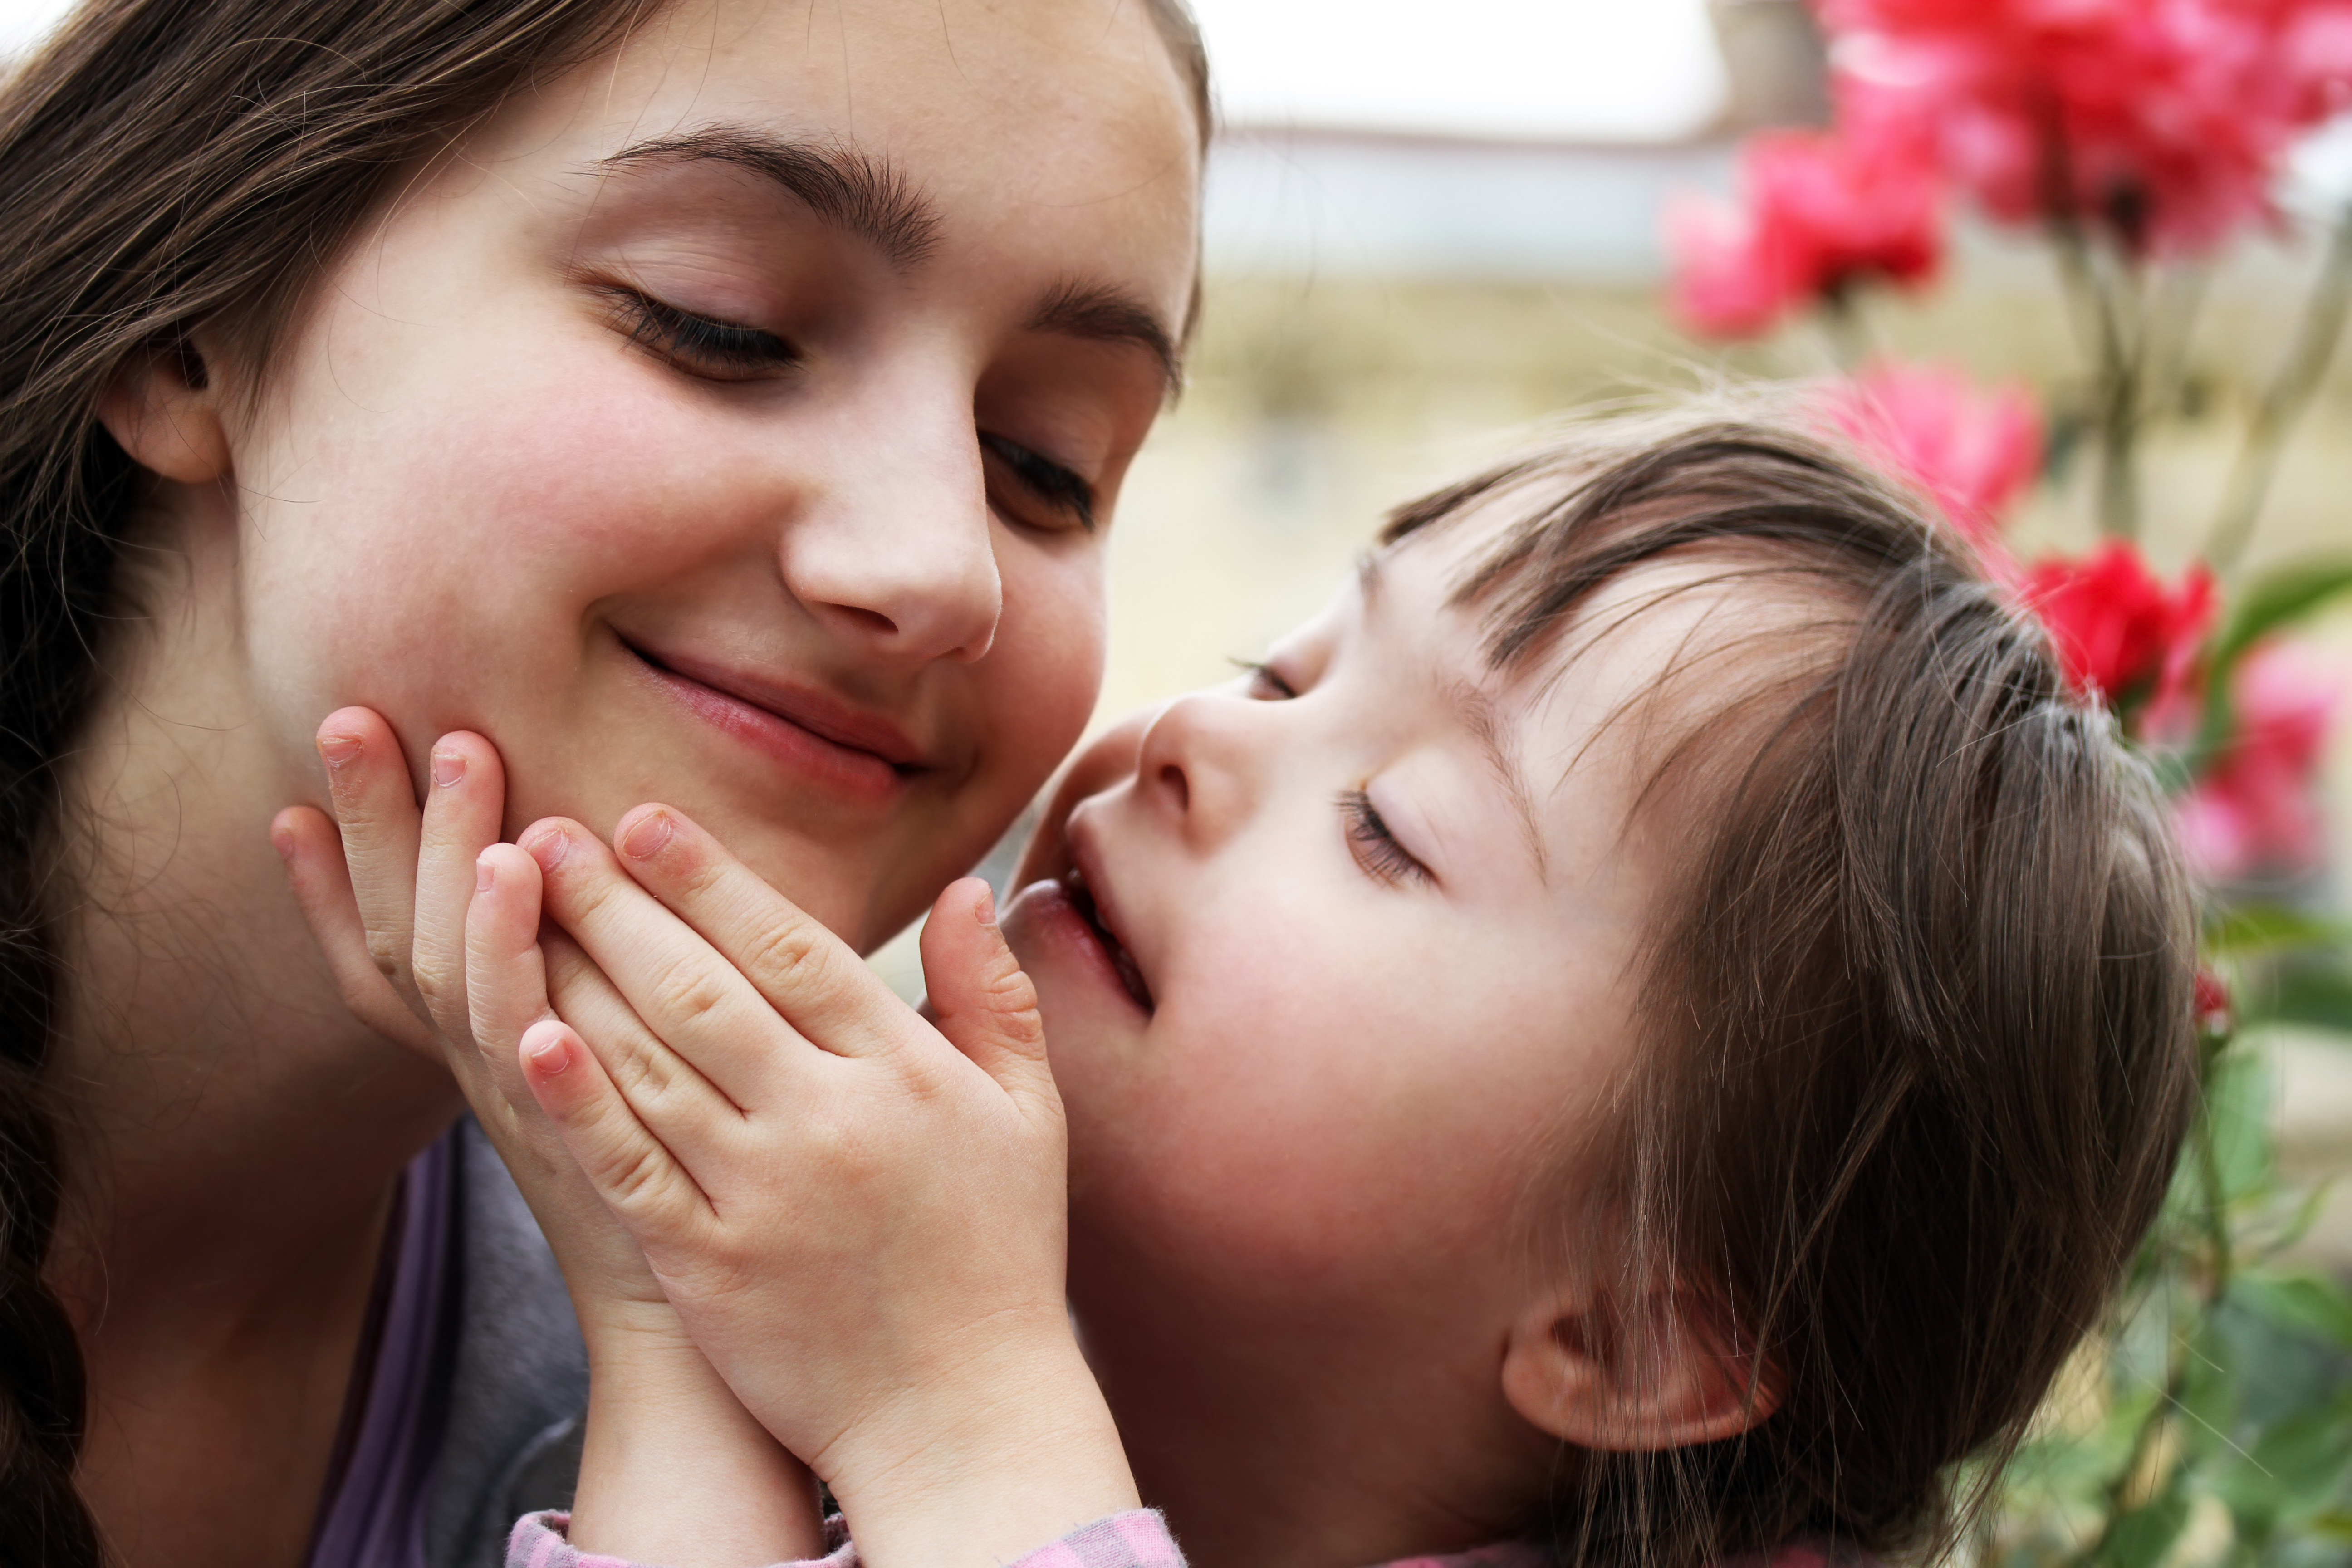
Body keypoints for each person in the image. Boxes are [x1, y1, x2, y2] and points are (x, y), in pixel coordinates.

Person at [316, 415, 2202, 1568]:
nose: (1202, 737)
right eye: (1283, 674)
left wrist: (961, 1413)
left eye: (1391, 826)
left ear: (1637, 1337)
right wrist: (657, 1312)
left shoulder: (944, 1451)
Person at [0, 0, 1207, 1560]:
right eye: (722, 323)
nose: (937, 567)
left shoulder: (852, 1391)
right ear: (186, 321)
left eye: (1045, 459)